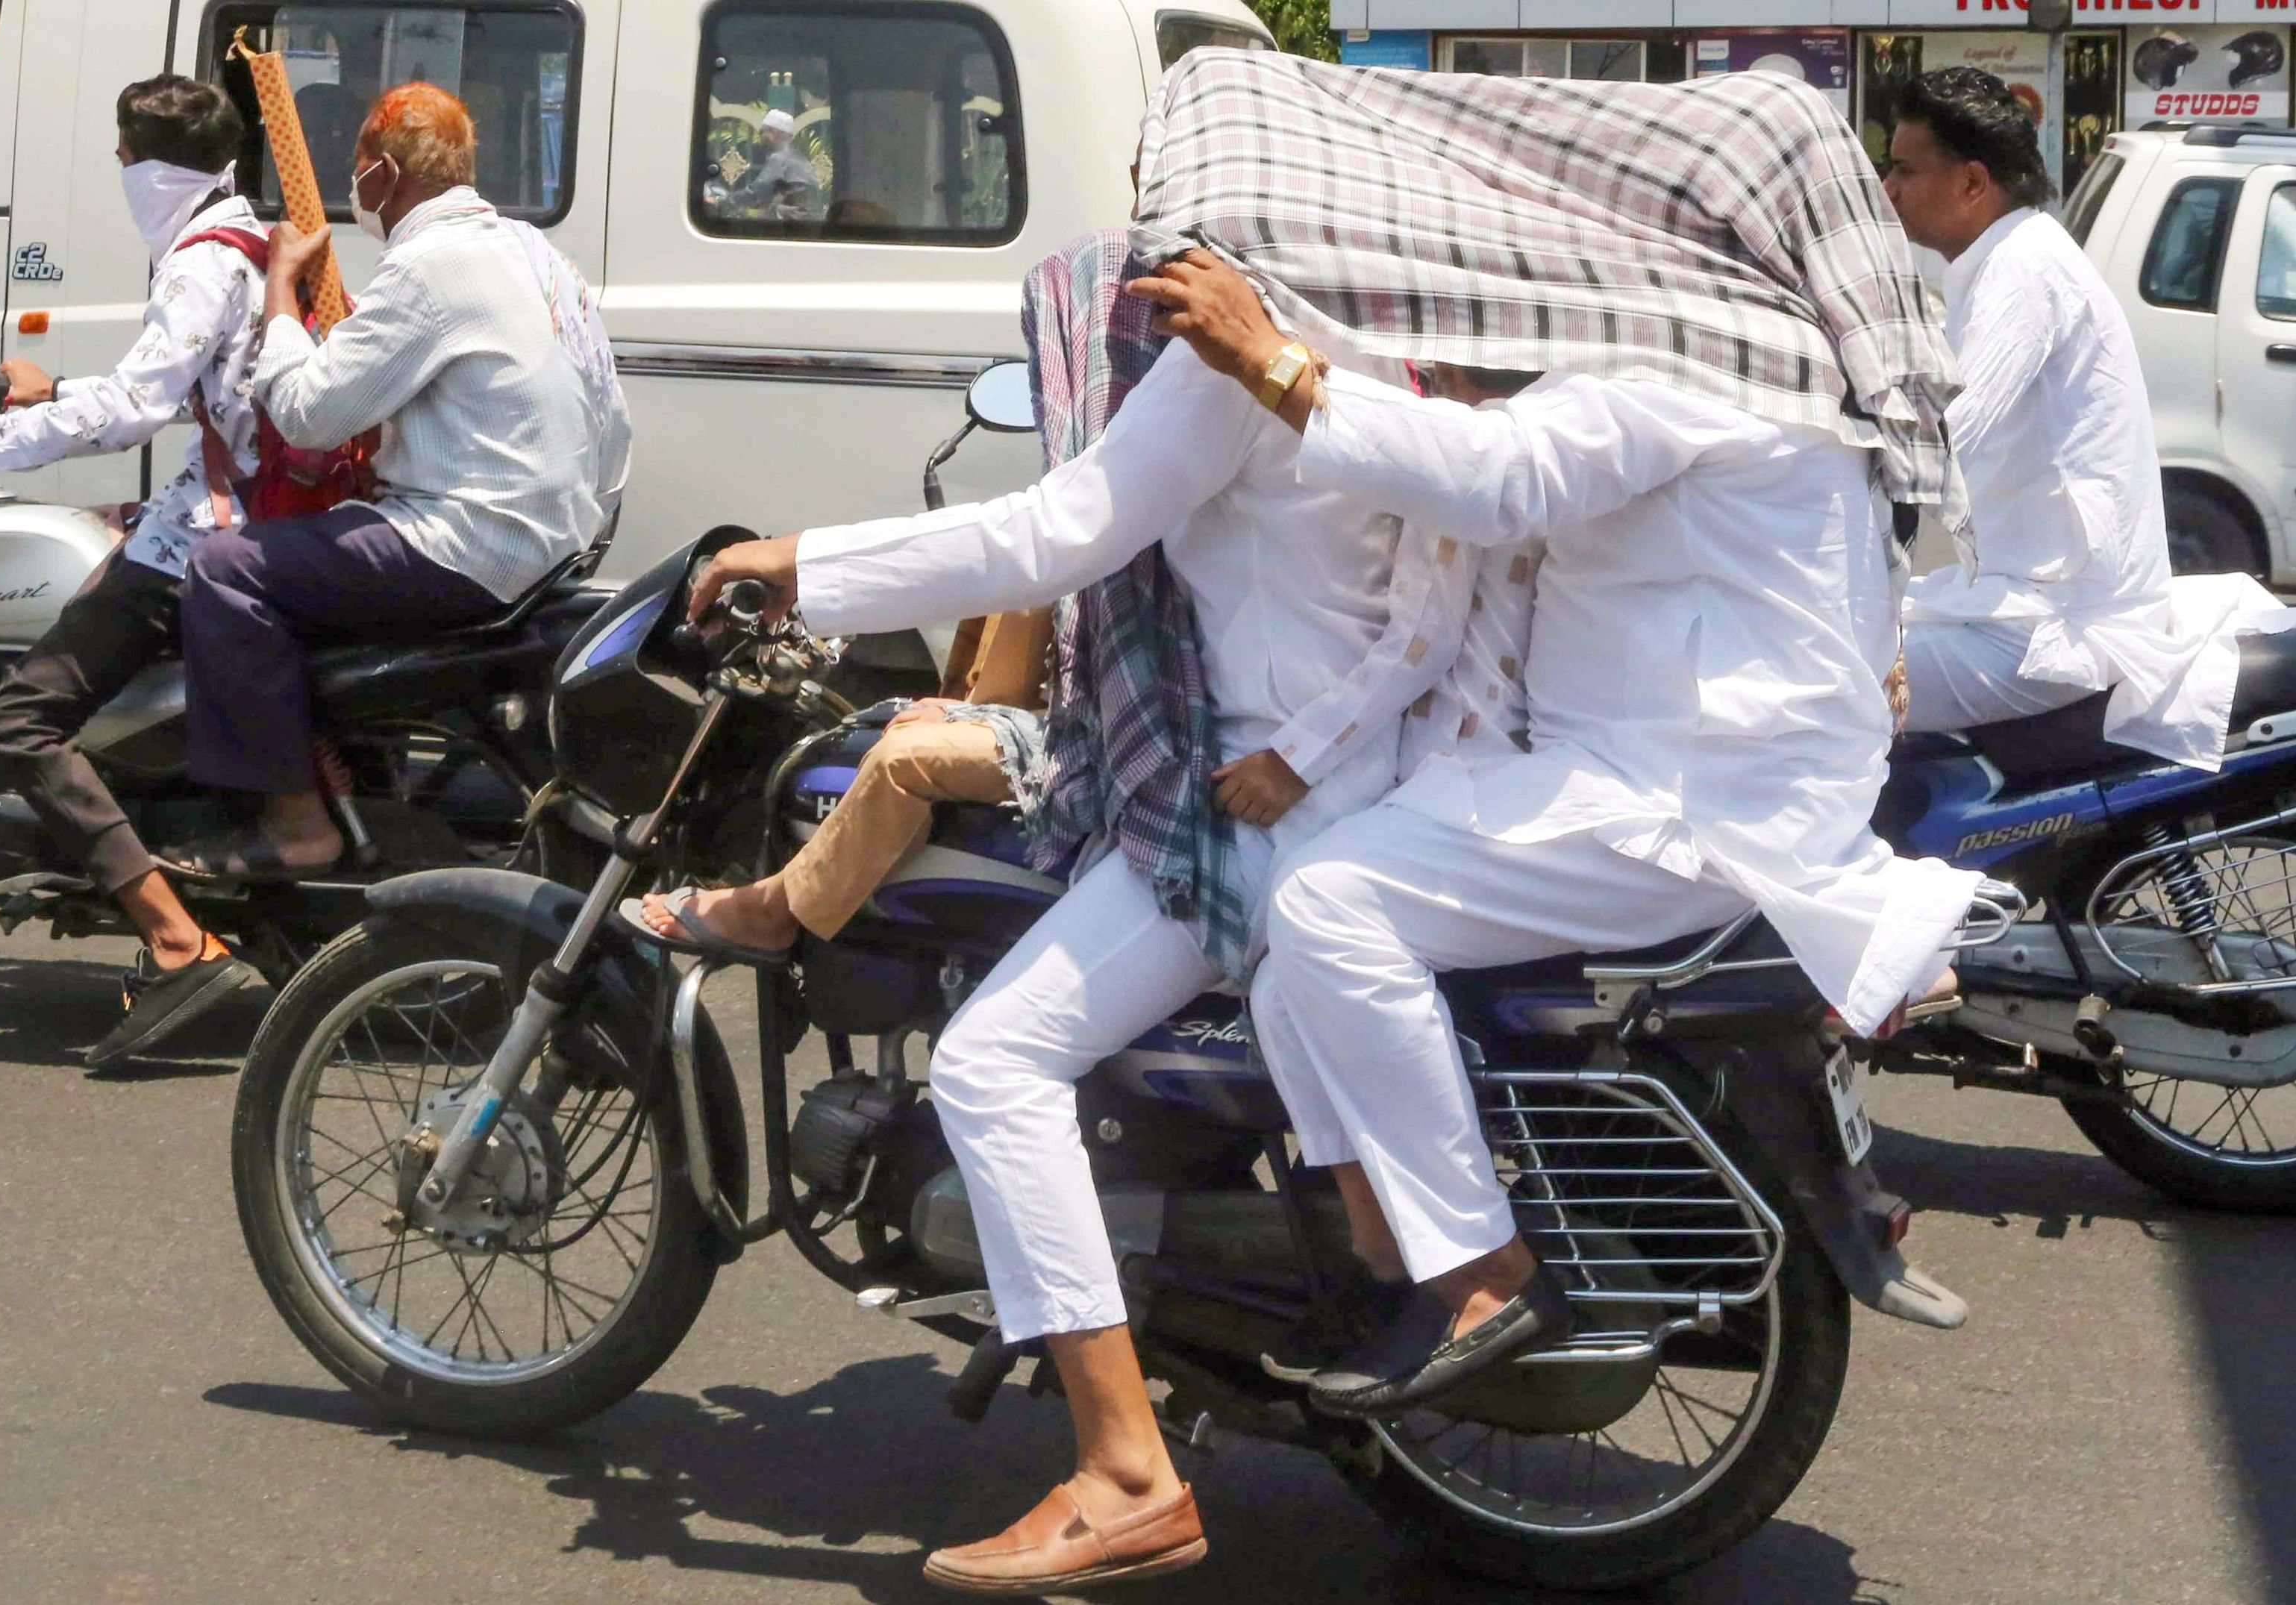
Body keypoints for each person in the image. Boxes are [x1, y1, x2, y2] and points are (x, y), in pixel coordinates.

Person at [1113, 53, 1986, 1417]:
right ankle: (1375, 1251)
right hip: (1698, 770)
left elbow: (1499, 478)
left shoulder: (1689, 354)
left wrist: (1268, 360)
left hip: (1678, 793)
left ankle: (1477, 1273)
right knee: (1300, 955)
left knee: (1335, 906)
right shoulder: (1771, 343)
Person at [680, 227, 1470, 1592]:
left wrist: (796, 559)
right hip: (1354, 778)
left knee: (990, 1062)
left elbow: (1050, 530)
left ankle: (1123, 1465)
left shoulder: (1235, 354)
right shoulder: (1376, 327)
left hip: (1249, 809)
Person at [0, 74, 268, 1065]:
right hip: (235, 511)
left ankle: (178, 940)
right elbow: (170, 389)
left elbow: (133, 411)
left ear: (156, 168)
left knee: (21, 716)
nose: (120, 169)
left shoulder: (199, 267)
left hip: (203, 534)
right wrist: (59, 385)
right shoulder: (247, 236)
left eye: (127, 154)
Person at [167, 83, 630, 879]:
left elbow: (308, 412)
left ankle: (294, 825)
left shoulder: (426, 268)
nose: (355, 193)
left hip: (470, 549)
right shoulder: (535, 252)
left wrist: (280, 291)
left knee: (224, 569)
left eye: (358, 173)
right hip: (560, 541)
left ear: (380, 175)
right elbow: (612, 420)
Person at [1880, 66, 2296, 772]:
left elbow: (1938, 437)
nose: (1887, 188)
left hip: (2055, 630)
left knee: (1812, 684)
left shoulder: (2022, 270)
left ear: (1971, 182)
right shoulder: (2004, 258)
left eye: (1903, 168)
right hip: (2025, 604)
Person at [636, 607, 1051, 954]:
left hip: (1081, 746)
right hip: (1053, 724)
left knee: (903, 760)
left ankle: (772, 912)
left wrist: (983, 720)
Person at [719, 107, 819, 222]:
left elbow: (757, 192)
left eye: (762, 132)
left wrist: (723, 201)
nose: (760, 136)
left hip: (790, 224)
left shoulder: (781, 159)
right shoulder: (799, 159)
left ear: (774, 132)